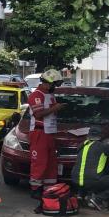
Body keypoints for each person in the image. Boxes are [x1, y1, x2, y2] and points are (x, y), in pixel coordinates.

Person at [27, 69, 65, 198]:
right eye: (54, 84)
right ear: (47, 83)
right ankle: (35, 189)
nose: (54, 87)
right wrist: (55, 108)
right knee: (40, 162)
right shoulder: (36, 95)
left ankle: (49, 189)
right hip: (39, 133)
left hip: (50, 133)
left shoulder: (49, 95)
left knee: (51, 163)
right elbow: (38, 114)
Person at [71, 126, 109, 211]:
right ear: (101, 135)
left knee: (87, 173)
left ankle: (81, 195)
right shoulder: (103, 145)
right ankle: (97, 199)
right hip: (92, 180)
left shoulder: (83, 145)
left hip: (75, 180)